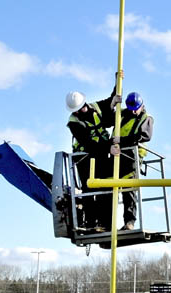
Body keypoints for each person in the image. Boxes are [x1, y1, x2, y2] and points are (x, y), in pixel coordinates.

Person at [65, 84, 122, 232]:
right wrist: (109, 146)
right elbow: (88, 143)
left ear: (85, 103)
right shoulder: (73, 123)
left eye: (82, 107)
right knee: (89, 190)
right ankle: (91, 223)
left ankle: (105, 223)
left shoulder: (94, 107)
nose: (80, 111)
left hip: (102, 155)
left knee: (106, 188)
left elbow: (110, 101)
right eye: (77, 110)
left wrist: (117, 82)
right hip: (85, 158)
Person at [113, 91, 154, 230]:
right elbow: (107, 118)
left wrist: (121, 141)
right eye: (131, 109)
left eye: (136, 109)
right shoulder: (123, 114)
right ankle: (106, 223)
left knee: (129, 189)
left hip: (133, 157)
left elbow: (144, 136)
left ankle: (129, 222)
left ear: (141, 106)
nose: (134, 111)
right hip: (117, 155)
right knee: (109, 187)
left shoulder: (146, 118)